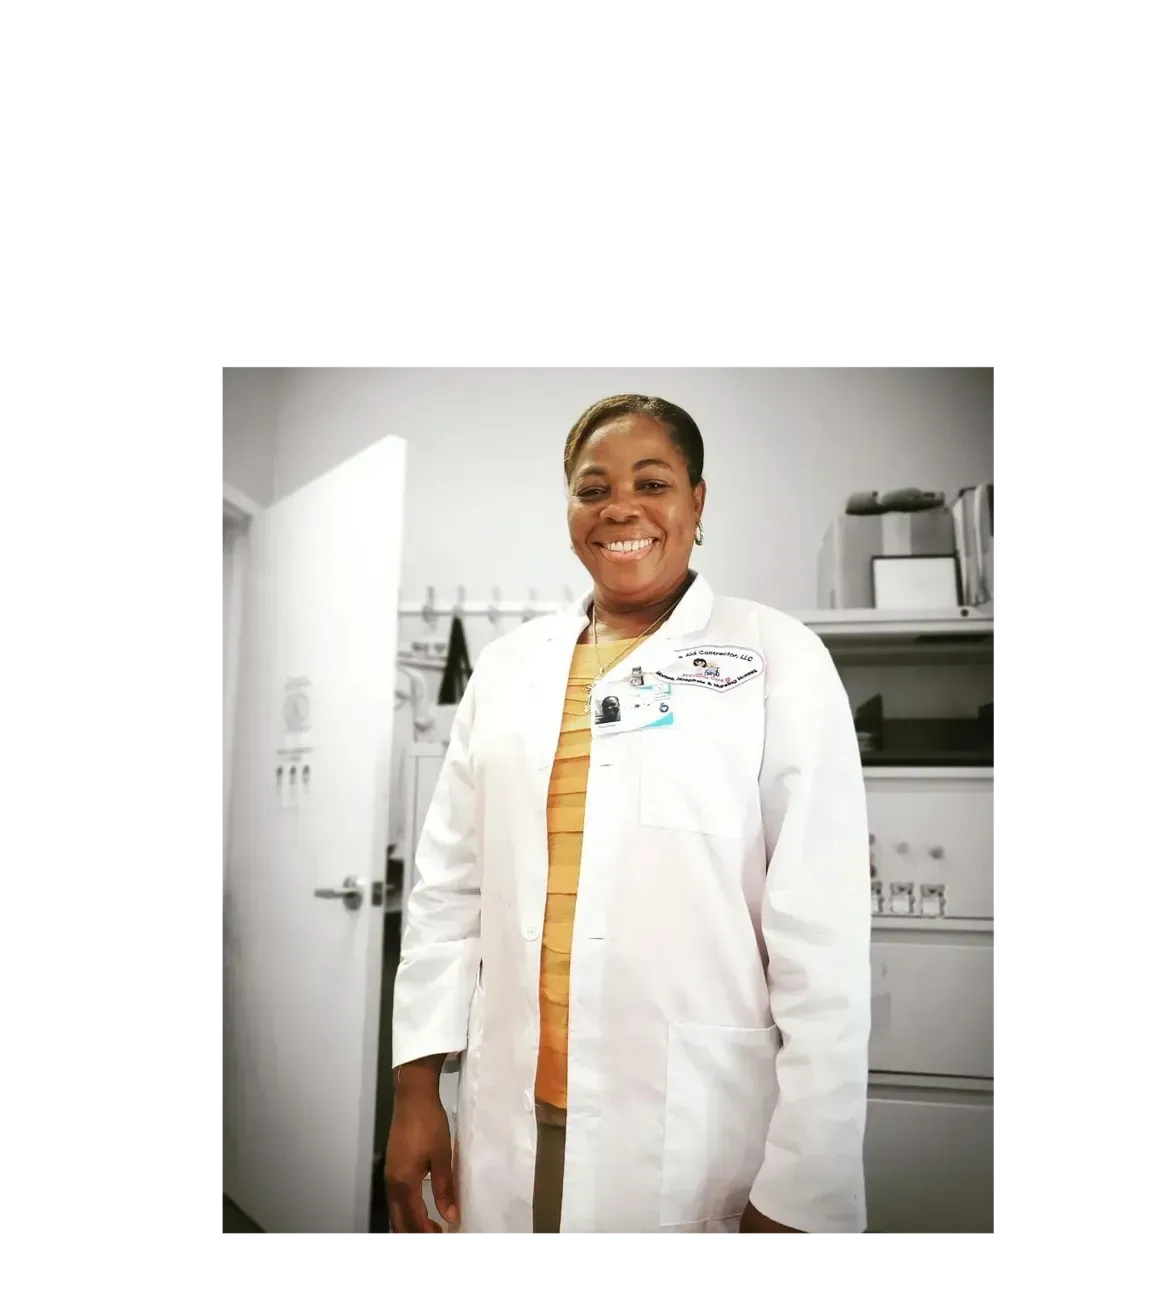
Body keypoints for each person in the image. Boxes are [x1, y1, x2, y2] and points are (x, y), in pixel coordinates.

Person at [387, 394, 871, 1240]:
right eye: (591, 487)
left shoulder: (777, 657)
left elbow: (822, 940)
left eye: (653, 481)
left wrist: (804, 1182)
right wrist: (416, 1086)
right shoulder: (506, 671)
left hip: (691, 1126)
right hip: (514, 1112)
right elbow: (445, 893)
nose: (620, 507)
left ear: (698, 501)